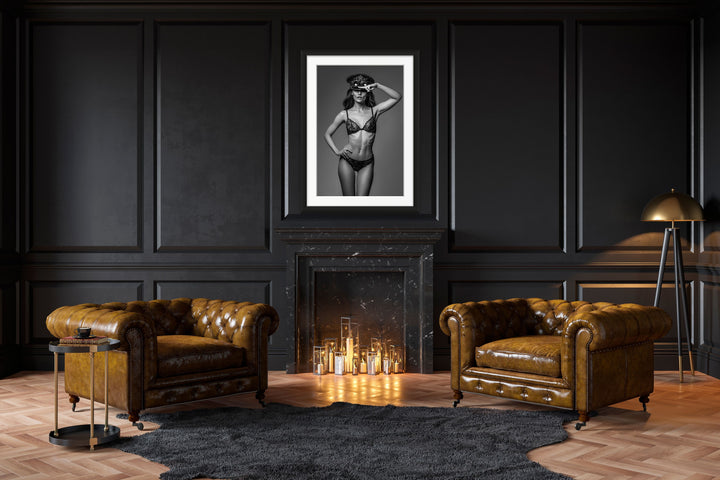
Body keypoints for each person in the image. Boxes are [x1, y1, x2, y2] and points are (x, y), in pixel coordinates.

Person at [323, 73, 402, 196]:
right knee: (349, 202)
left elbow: (397, 97)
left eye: (362, 91)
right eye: (356, 90)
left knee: (363, 203)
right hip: (347, 161)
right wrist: (337, 151)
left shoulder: (374, 111)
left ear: (368, 92)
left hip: (367, 162)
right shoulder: (344, 114)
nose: (359, 94)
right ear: (352, 92)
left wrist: (378, 85)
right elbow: (327, 134)